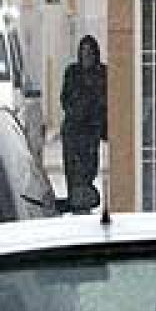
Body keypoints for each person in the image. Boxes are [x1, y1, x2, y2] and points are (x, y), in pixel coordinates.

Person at [60, 35, 108, 211]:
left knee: (88, 169)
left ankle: (84, 201)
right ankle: (76, 202)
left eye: (90, 52)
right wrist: (79, 109)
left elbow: (105, 100)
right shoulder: (72, 72)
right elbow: (65, 99)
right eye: (84, 51)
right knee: (73, 170)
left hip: (91, 132)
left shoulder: (102, 73)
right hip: (73, 130)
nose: (87, 55)